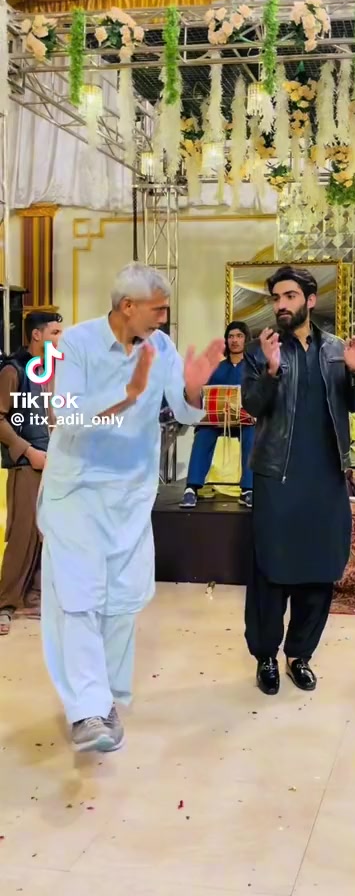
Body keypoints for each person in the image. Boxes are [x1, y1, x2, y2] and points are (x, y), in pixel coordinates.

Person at [38, 262, 224, 753]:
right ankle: (87, 711)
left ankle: (107, 699)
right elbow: (65, 415)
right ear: (127, 306)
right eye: (158, 309)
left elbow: (184, 410)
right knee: (78, 599)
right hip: (77, 493)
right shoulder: (75, 344)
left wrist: (193, 386)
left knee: (121, 602)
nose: (164, 318)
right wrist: (126, 397)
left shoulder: (160, 347)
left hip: (130, 496)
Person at [242, 265, 355, 695]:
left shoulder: (335, 349)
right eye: (276, 298)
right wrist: (272, 370)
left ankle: (300, 655)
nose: (281, 305)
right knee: (272, 568)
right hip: (278, 476)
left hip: (326, 475)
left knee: (319, 568)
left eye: (290, 296)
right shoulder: (261, 350)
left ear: (310, 301)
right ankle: (265, 655)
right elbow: (253, 406)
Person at [0, 311, 63, 636]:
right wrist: (28, 452)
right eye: (55, 333)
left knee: (44, 533)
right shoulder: (12, 370)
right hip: (26, 466)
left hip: (47, 463)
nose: (59, 339)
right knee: (22, 535)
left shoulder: (42, 372)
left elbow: (46, 415)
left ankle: (32, 597)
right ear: (37, 335)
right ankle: (4, 604)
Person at [180, 321, 254, 509]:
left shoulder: (254, 368)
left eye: (239, 336)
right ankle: (191, 488)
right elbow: (198, 394)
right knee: (203, 432)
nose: (234, 340)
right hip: (216, 420)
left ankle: (248, 489)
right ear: (226, 341)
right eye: (231, 336)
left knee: (253, 434)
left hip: (245, 421)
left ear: (246, 339)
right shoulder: (215, 368)